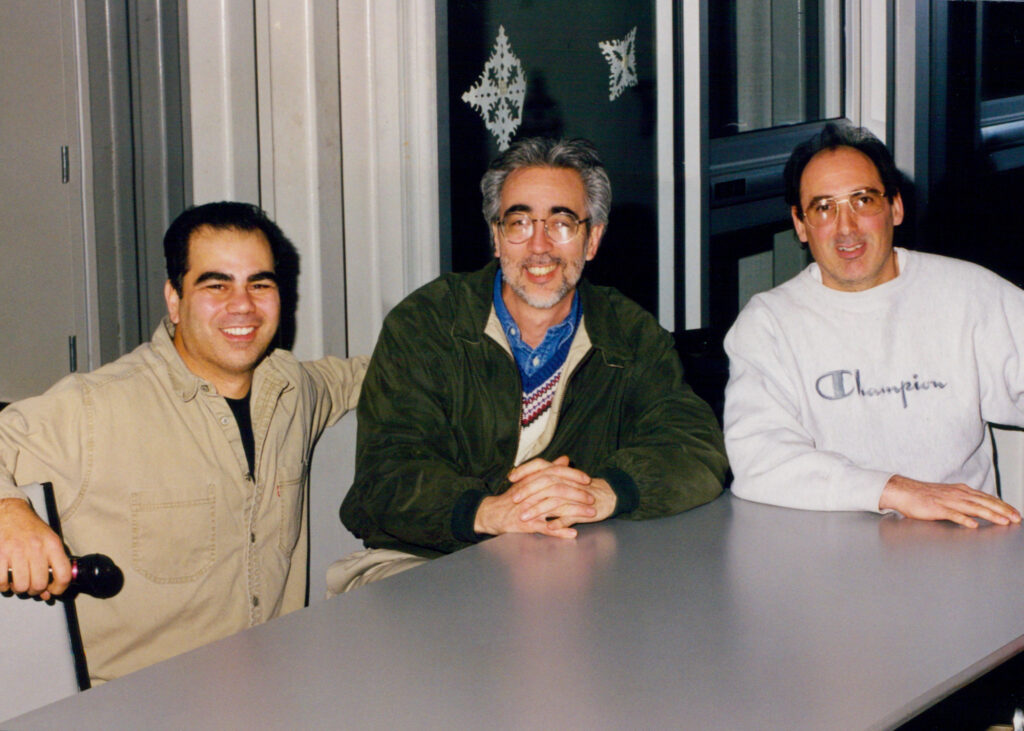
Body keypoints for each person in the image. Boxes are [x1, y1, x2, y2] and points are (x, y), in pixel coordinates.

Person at [333, 138, 727, 591]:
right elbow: (385, 477)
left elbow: (695, 447)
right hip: (423, 562)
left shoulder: (630, 334)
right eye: (519, 223)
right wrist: (491, 510)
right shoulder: (426, 324)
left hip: (569, 561)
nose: (540, 246)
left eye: (562, 223)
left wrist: (599, 493)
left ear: (593, 239)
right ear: (496, 237)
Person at [0, 201, 368, 681]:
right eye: (216, 285)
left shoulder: (293, 388)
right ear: (174, 300)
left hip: (273, 685)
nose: (243, 305)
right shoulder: (97, 408)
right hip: (132, 705)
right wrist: (8, 511)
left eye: (260, 284)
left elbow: (375, 372)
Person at [723, 122, 1023, 528]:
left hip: (962, 539)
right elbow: (759, 460)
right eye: (824, 207)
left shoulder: (969, 294)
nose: (846, 228)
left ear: (895, 207)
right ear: (800, 224)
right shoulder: (769, 324)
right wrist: (895, 490)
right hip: (825, 550)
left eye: (863, 200)